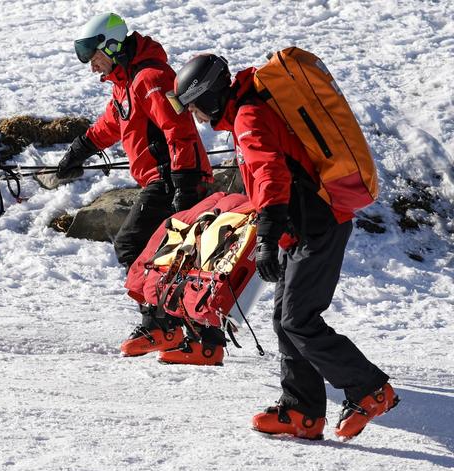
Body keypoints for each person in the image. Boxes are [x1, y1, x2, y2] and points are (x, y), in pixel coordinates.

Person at [168, 54, 398, 440]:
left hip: (317, 226)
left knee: (299, 320)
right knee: (285, 320)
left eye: (194, 108)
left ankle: (370, 389)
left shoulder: (247, 117)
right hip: (301, 228)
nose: (197, 118)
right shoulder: (246, 113)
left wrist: (268, 238)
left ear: (209, 97)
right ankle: (302, 412)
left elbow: (272, 176)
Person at [57, 12, 213, 357]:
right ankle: (201, 340)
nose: (93, 68)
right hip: (165, 178)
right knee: (175, 256)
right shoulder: (126, 84)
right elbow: (110, 125)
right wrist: (77, 152)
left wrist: (184, 184)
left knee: (132, 245)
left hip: (174, 178)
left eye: (95, 58)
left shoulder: (151, 78)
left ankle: (161, 326)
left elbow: (179, 130)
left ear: (112, 47)